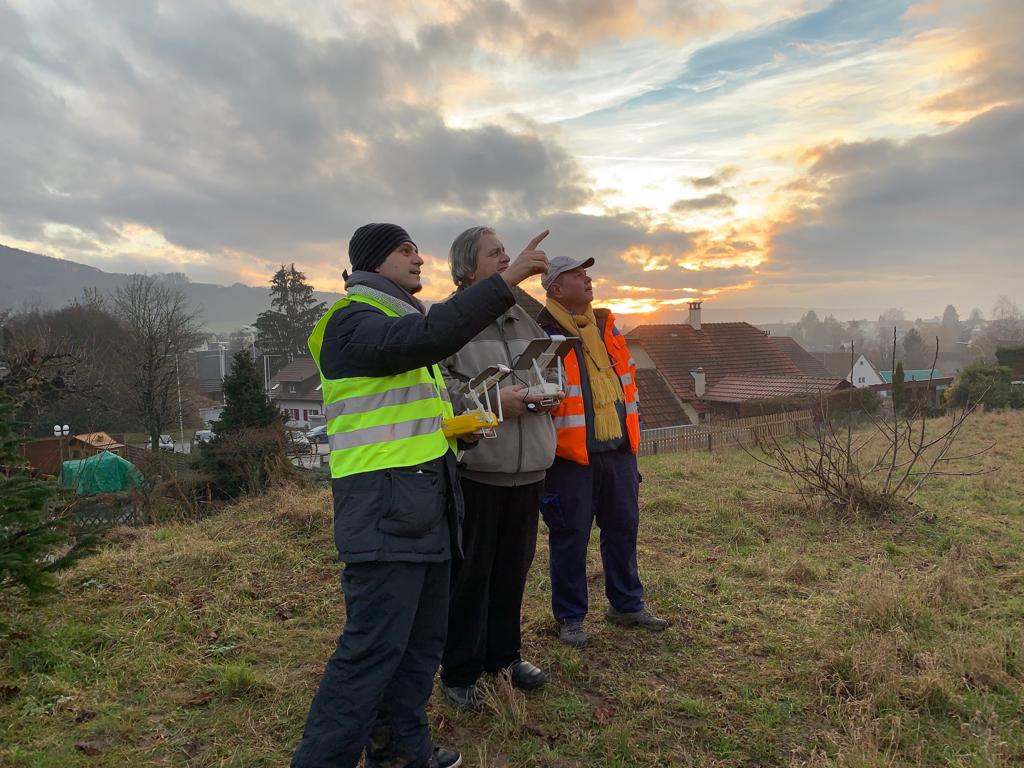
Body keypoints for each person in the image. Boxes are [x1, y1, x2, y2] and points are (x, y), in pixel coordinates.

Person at [292, 222, 548, 768]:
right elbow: (427, 337)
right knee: (371, 652)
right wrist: (506, 282)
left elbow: (412, 418)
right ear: (374, 261)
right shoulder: (351, 321)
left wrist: (460, 429)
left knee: (419, 646)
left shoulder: (399, 322)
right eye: (406, 250)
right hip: (384, 511)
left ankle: (402, 752)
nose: (419, 259)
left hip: (427, 505)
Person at [438, 227, 559, 709]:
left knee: (513, 570)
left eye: (507, 251)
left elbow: (549, 365)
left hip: (530, 469)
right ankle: (460, 669)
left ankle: (505, 657)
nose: (507, 257)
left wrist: (549, 389)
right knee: (471, 576)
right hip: (480, 469)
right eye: (496, 253)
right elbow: (436, 388)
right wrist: (491, 401)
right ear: (468, 268)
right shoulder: (449, 320)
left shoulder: (520, 313)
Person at [536, 256, 668, 648]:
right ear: (555, 288)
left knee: (623, 529)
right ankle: (571, 617)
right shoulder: (542, 334)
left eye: (587, 273)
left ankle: (626, 605)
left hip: (619, 451)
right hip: (569, 458)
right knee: (570, 538)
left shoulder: (607, 327)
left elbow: (627, 381)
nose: (587, 278)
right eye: (577, 275)